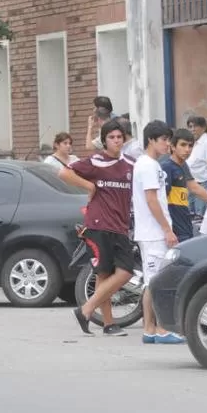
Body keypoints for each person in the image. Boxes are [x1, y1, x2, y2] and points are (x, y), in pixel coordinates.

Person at [60, 119, 134, 337]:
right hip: (99, 224)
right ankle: (109, 324)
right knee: (104, 272)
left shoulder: (130, 163)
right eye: (111, 137)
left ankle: (86, 310)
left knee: (125, 272)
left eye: (119, 137)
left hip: (120, 226)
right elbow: (64, 173)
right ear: (104, 141)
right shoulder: (96, 161)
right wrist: (89, 185)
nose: (116, 141)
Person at [133, 120, 185, 345]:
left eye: (168, 140)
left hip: (154, 231)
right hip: (153, 233)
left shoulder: (151, 164)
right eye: (163, 140)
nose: (167, 144)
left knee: (153, 281)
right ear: (151, 140)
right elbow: (152, 199)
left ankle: (150, 329)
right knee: (156, 281)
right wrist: (167, 229)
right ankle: (159, 329)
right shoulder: (147, 165)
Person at [160, 128, 207, 242]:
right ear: (173, 146)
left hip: (185, 225)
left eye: (190, 146)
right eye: (183, 145)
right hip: (174, 228)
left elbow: (194, 187)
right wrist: (168, 230)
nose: (187, 149)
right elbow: (161, 200)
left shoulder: (183, 166)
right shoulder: (166, 167)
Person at [185, 115, 207, 215]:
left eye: (195, 126)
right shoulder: (193, 143)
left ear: (203, 128)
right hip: (191, 184)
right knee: (190, 214)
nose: (192, 129)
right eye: (190, 127)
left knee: (200, 216)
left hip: (204, 185)